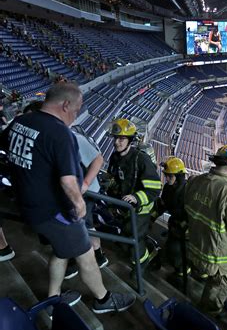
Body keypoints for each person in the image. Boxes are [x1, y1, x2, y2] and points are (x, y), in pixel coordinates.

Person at [0, 83, 135, 314]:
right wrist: (79, 205)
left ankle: (53, 298)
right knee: (86, 255)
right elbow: (68, 182)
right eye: (76, 109)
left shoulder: (20, 122)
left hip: (27, 205)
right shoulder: (60, 133)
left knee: (61, 251)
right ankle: (104, 300)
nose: (76, 115)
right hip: (55, 212)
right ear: (65, 105)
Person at [184, 145, 227, 317]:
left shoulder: (195, 181)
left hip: (195, 249)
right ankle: (209, 317)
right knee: (220, 288)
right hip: (218, 260)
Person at [107, 118, 162, 267]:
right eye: (115, 138)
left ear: (130, 140)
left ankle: (142, 265)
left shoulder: (141, 160)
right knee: (126, 235)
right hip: (124, 207)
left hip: (141, 208)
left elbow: (155, 188)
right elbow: (114, 178)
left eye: (122, 139)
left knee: (134, 238)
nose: (117, 142)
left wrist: (136, 197)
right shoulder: (115, 157)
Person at [65, 129, 108, 279]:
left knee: (80, 224)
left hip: (86, 192)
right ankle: (98, 254)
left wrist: (86, 183)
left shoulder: (75, 138)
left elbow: (98, 159)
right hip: (74, 191)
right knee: (86, 223)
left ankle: (77, 258)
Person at [156, 157, 188, 280]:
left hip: (185, 229)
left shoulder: (187, 191)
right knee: (171, 250)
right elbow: (163, 205)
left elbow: (192, 214)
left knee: (175, 252)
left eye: (170, 176)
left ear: (179, 177)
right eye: (166, 176)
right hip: (174, 225)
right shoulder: (168, 188)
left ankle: (182, 272)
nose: (167, 179)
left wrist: (185, 226)